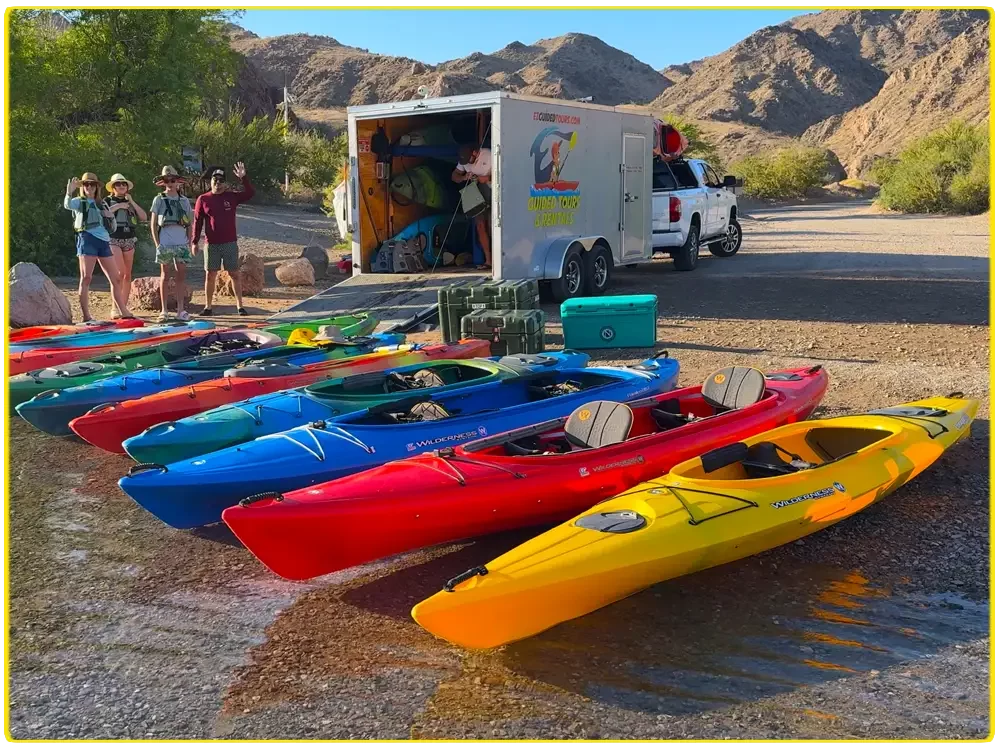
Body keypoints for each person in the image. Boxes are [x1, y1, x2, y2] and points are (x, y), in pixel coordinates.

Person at [63, 172, 134, 322]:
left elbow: (111, 223)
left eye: (92, 184)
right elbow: (67, 205)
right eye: (86, 184)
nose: (89, 187)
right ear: (83, 187)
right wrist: (69, 191)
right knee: (86, 278)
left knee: (116, 278)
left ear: (97, 187)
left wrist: (109, 215)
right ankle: (86, 316)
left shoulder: (102, 203)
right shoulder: (78, 201)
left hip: (103, 241)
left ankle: (122, 310)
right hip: (87, 239)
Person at [192, 162, 255, 316]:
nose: (218, 184)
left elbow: (250, 193)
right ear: (211, 181)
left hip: (229, 243)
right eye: (215, 181)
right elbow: (198, 221)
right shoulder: (203, 199)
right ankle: (208, 307)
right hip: (211, 243)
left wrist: (243, 178)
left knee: (234, 273)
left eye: (221, 181)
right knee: (210, 274)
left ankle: (240, 306)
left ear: (225, 183)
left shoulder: (231, 197)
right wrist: (194, 242)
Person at [149, 165, 194, 322]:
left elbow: (190, 223)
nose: (170, 183)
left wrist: (189, 242)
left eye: (172, 180)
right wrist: (157, 243)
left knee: (181, 275)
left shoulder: (184, 200)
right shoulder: (158, 199)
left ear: (177, 182)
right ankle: (164, 311)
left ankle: (181, 310)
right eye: (166, 180)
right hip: (165, 242)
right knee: (165, 275)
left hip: (181, 242)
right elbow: (153, 223)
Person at [103, 173, 146, 316]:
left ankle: (124, 307)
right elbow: (103, 213)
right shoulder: (107, 201)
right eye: (118, 184)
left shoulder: (130, 202)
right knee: (118, 274)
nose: (121, 186)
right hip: (113, 239)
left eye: (124, 184)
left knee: (127, 275)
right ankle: (115, 307)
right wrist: (119, 206)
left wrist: (131, 203)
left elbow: (143, 217)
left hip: (129, 239)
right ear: (113, 187)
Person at [451, 145, 492, 270]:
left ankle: (503, 257)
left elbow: (505, 171)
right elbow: (454, 176)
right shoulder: (463, 161)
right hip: (475, 192)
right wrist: (464, 177)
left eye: (469, 160)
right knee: (480, 225)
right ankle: (488, 260)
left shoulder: (489, 155)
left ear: (475, 153)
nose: (467, 163)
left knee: (493, 225)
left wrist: (487, 178)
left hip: (493, 191)